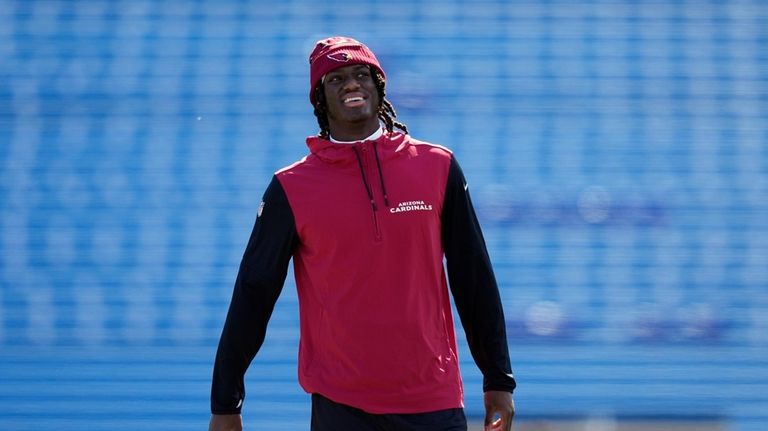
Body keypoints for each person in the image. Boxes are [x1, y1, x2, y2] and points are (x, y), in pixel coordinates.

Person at [209, 36, 516, 431]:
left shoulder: (438, 167)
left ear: (379, 87)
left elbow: (473, 278)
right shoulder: (291, 187)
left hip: (434, 401)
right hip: (342, 408)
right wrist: (226, 404)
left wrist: (498, 380)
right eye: (336, 79)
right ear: (319, 99)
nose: (352, 84)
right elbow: (253, 293)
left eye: (361, 75)